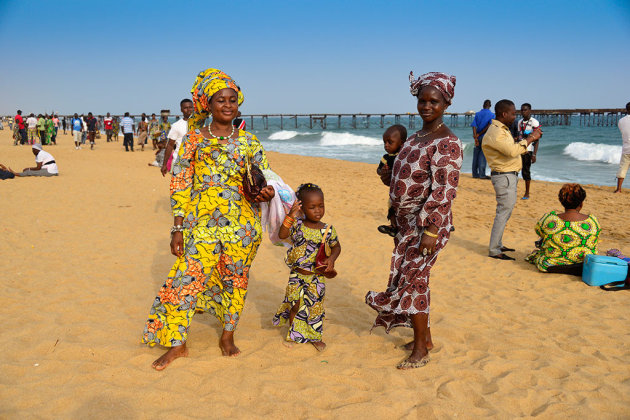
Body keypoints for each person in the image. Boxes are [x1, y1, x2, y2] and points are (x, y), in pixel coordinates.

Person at [141, 68, 276, 370]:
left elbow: (263, 178)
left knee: (235, 280)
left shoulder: (249, 141)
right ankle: (178, 344)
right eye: (220, 100)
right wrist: (177, 228)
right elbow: (179, 183)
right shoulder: (192, 140)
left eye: (232, 100)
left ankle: (227, 336)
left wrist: (264, 193)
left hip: (242, 226)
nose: (228, 105)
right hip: (199, 224)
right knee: (185, 280)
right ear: (208, 105)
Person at [366, 71, 463, 370]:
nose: (426, 106)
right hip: (407, 225)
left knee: (416, 282)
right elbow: (407, 177)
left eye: (434, 101)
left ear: (446, 103)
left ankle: (420, 349)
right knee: (413, 279)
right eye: (422, 100)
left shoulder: (447, 142)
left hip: (427, 227)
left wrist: (432, 231)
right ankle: (427, 339)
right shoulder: (415, 138)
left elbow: (444, 191)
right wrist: (388, 178)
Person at [273, 183, 341, 351]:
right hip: (297, 275)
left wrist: (332, 259)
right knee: (295, 305)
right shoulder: (297, 226)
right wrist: (291, 214)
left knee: (315, 307)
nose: (318, 210)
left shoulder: (327, 230)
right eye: (312, 207)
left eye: (321, 206)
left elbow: (337, 246)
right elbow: (282, 235)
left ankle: (315, 337)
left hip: (316, 277)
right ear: (302, 208)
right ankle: (294, 334)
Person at [482, 100, 542, 260]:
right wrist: (531, 138)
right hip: (504, 176)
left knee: (505, 212)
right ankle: (494, 249)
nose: (515, 116)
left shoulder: (501, 129)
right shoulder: (496, 132)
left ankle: (498, 244)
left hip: (508, 175)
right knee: (503, 212)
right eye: (513, 113)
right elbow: (511, 151)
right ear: (504, 114)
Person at [526, 184, 600, 275]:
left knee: (544, 242)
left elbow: (539, 231)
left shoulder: (549, 219)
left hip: (550, 264)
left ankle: (558, 261)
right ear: (581, 204)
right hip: (582, 264)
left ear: (561, 201)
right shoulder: (592, 222)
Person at [376, 124, 407, 237]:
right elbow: (378, 170)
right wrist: (382, 172)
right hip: (393, 190)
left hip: (404, 189)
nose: (386, 145)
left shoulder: (404, 156)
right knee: (391, 207)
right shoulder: (386, 157)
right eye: (384, 142)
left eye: (390, 142)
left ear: (402, 142)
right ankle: (393, 226)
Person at [161, 99, 194, 176]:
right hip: (179, 163)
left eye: (190, 107)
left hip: (196, 163)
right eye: (186, 108)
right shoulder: (176, 125)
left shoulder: (199, 124)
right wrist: (164, 164)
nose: (188, 110)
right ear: (181, 110)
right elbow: (170, 145)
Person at [517, 103, 542, 200]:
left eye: (525, 110)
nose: (523, 112)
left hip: (529, 151)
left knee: (526, 172)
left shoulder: (534, 122)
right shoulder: (519, 122)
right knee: (516, 169)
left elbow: (537, 140)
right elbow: (519, 136)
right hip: (520, 149)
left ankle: (527, 193)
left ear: (530, 111)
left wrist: (534, 154)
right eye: (522, 110)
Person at [470, 100, 494, 179]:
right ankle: (482, 174)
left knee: (476, 155)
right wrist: (479, 134)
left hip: (477, 136)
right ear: (490, 106)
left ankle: (474, 174)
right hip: (485, 136)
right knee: (483, 156)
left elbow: (474, 125)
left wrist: (475, 136)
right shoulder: (492, 115)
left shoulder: (477, 114)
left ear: (483, 105)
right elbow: (489, 126)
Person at [614, 102, 630, 193]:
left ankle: (619, 189)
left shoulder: (621, 121)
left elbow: (623, 131)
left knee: (622, 169)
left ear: (626, 110)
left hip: (626, 148)